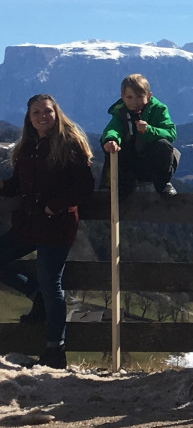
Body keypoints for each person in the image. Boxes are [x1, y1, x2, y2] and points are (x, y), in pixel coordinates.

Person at [0, 94, 95, 369]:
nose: (43, 116)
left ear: (57, 114)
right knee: (44, 286)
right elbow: (21, 183)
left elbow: (85, 186)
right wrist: (5, 187)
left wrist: (55, 206)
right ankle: (35, 294)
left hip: (57, 225)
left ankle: (56, 350)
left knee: (52, 285)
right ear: (29, 119)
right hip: (28, 224)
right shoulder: (28, 146)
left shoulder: (70, 143)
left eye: (47, 111)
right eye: (36, 112)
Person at [100, 73, 179, 198]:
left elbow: (171, 133)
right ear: (123, 97)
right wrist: (111, 140)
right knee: (109, 143)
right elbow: (113, 128)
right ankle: (125, 184)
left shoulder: (158, 109)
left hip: (151, 161)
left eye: (139, 97)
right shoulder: (121, 112)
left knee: (164, 145)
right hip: (130, 162)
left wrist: (149, 130)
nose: (134, 102)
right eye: (130, 97)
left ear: (149, 96)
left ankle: (163, 183)